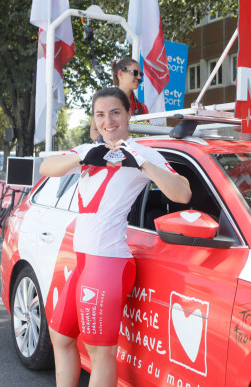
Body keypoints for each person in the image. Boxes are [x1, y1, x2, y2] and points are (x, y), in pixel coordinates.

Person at [40, 87, 191, 387]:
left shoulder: (143, 152)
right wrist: (82, 156)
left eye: (115, 113)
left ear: (128, 114)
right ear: (94, 121)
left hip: (108, 262)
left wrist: (140, 161)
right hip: (83, 261)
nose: (108, 121)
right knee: (60, 336)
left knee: (100, 352)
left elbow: (182, 193)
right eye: (100, 115)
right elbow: (46, 168)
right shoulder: (87, 150)